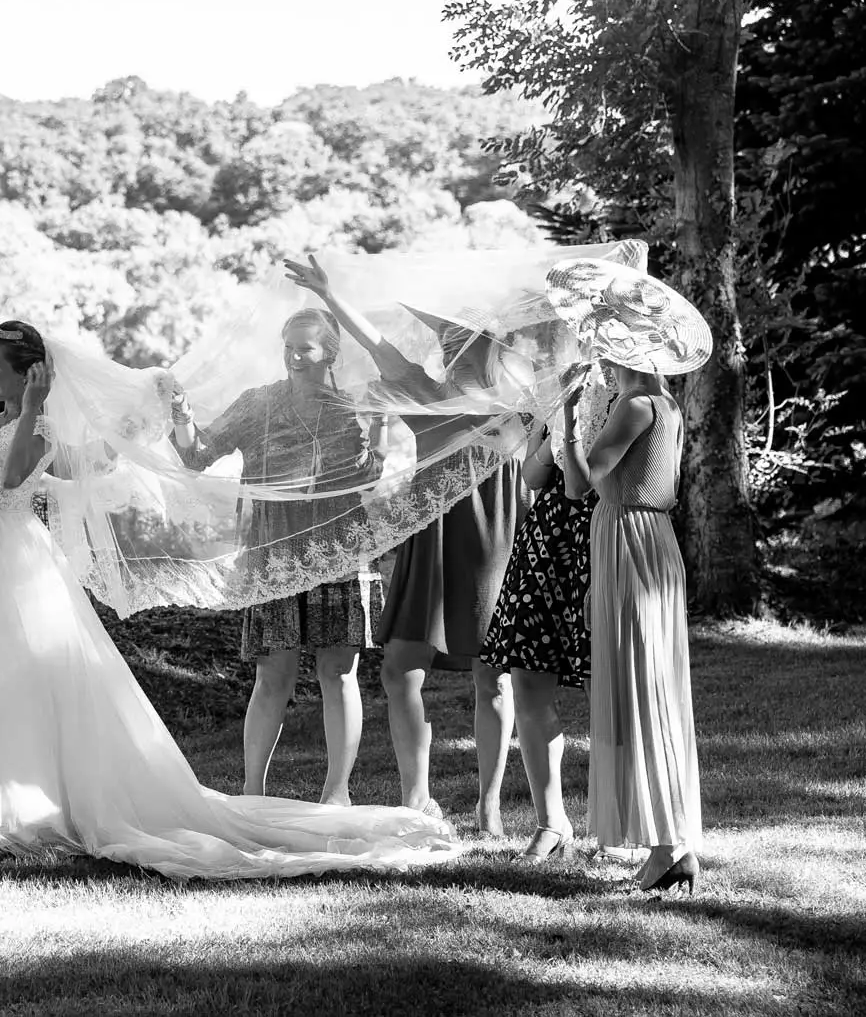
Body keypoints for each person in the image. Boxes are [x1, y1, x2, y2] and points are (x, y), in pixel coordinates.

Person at [0, 322, 460, 881]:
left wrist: (38, 409)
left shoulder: (33, 418)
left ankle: (19, 799)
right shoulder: (3, 417)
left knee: (25, 672)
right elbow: (78, 470)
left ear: (30, 374)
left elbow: (22, 473)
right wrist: (117, 426)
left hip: (7, 553)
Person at [284, 255, 525, 832]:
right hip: (433, 539)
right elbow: (378, 347)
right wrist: (331, 294)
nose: (451, 353)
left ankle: (489, 809)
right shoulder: (426, 394)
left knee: (494, 675)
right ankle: (417, 798)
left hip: (495, 538)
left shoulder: (517, 408)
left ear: (488, 352)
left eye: (463, 345)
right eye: (450, 346)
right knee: (400, 669)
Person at [169, 309, 381, 807]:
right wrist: (183, 419)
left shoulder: (345, 408)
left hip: (337, 547)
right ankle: (251, 793)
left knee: (338, 672)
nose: (293, 355)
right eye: (288, 345)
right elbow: (196, 455)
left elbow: (367, 478)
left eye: (305, 347)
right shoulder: (257, 404)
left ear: (329, 353)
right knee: (273, 675)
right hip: (275, 550)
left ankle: (337, 792)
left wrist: (375, 436)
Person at [565, 358, 700, 892]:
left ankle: (667, 848)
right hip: (651, 541)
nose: (603, 358)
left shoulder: (634, 405)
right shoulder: (667, 404)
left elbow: (583, 482)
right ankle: (669, 841)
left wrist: (571, 417)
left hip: (629, 543)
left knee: (641, 689)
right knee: (654, 685)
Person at [477, 378, 601, 862]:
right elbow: (531, 476)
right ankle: (552, 823)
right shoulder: (557, 395)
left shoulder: (620, 399)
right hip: (541, 546)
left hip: (592, 544)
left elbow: (578, 486)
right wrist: (553, 429)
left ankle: (617, 826)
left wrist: (569, 425)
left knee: (601, 688)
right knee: (528, 680)